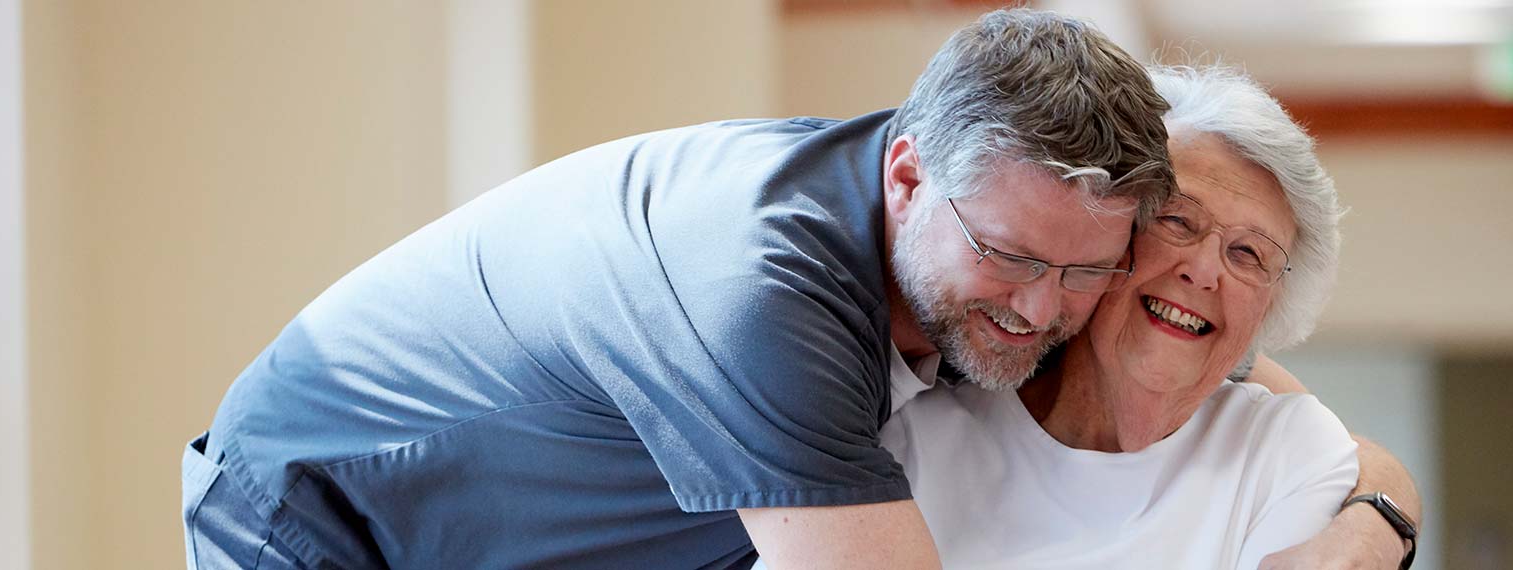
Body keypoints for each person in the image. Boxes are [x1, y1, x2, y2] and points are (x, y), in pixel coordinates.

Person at [182, 9, 1176, 569]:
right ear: (908, 176)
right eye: (1011, 257)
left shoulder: (978, 244)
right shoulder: (756, 281)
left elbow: (1198, 344)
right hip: (331, 516)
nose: (1045, 310)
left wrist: (1339, 487)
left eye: (1088, 270)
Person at [879, 65, 1388, 569]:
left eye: (1249, 254)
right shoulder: (918, 434)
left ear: (1272, 303)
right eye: (1177, 220)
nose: (1205, 270)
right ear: (1104, 235)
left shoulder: (1287, 452)